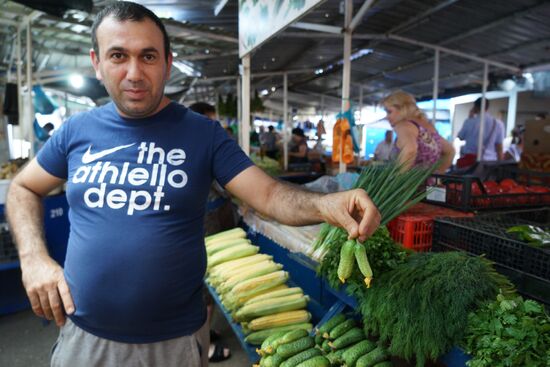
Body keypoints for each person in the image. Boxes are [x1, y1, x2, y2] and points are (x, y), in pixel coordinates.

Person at [5, 2, 380, 367]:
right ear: (97, 64)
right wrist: (34, 259)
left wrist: (324, 204)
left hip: (174, 344)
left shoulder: (203, 134)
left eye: (148, 56)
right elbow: (22, 188)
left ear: (168, 63)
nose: (134, 72)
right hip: (84, 339)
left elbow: (267, 195)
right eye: (118, 56)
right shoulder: (75, 131)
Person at [188, 102, 231, 363]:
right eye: (210, 120)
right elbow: (224, 183)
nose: (214, 125)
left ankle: (205, 335)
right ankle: (203, 347)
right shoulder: (198, 148)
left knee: (205, 285)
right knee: (204, 285)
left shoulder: (198, 144)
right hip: (204, 223)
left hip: (206, 221)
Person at [382, 90, 454, 173]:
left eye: (389, 111)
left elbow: (410, 150)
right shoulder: (428, 127)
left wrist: (395, 180)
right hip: (429, 185)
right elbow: (450, 151)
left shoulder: (403, 125)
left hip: (409, 185)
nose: (387, 117)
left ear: (403, 109)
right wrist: (437, 174)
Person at [457, 97, 505, 167]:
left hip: (469, 162)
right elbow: (499, 148)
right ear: (487, 107)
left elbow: (460, 137)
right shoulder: (498, 124)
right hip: (489, 163)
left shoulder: (469, 122)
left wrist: (469, 117)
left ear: (475, 107)